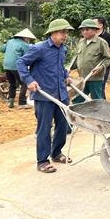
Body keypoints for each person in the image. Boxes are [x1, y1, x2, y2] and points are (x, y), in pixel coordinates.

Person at [17, 19, 75, 173]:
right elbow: (21, 63)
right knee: (44, 128)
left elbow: (60, 67)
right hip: (44, 96)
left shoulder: (62, 49)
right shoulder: (39, 49)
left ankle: (56, 153)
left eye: (66, 32)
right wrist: (29, 80)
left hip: (61, 94)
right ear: (53, 33)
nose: (65, 35)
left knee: (63, 126)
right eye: (62, 32)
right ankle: (42, 161)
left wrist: (66, 76)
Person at [72, 19, 110, 102]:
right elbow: (77, 57)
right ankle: (77, 115)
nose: (84, 32)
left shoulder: (101, 43)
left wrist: (100, 68)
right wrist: (69, 68)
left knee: (97, 101)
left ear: (94, 30)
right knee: (77, 100)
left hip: (95, 79)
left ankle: (100, 115)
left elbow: (107, 59)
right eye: (82, 30)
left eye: (87, 29)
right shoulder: (81, 42)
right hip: (82, 78)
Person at [1, 28, 36, 109]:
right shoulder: (24, 44)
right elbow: (28, 57)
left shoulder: (10, 41)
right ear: (25, 38)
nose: (28, 40)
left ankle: (11, 102)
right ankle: (22, 102)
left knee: (12, 84)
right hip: (16, 66)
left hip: (6, 66)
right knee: (24, 83)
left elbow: (2, 49)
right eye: (28, 39)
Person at [93, 17, 110, 98]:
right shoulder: (90, 36)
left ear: (100, 25)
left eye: (93, 23)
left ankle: (102, 106)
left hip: (104, 65)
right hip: (92, 66)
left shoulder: (107, 36)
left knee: (100, 87)